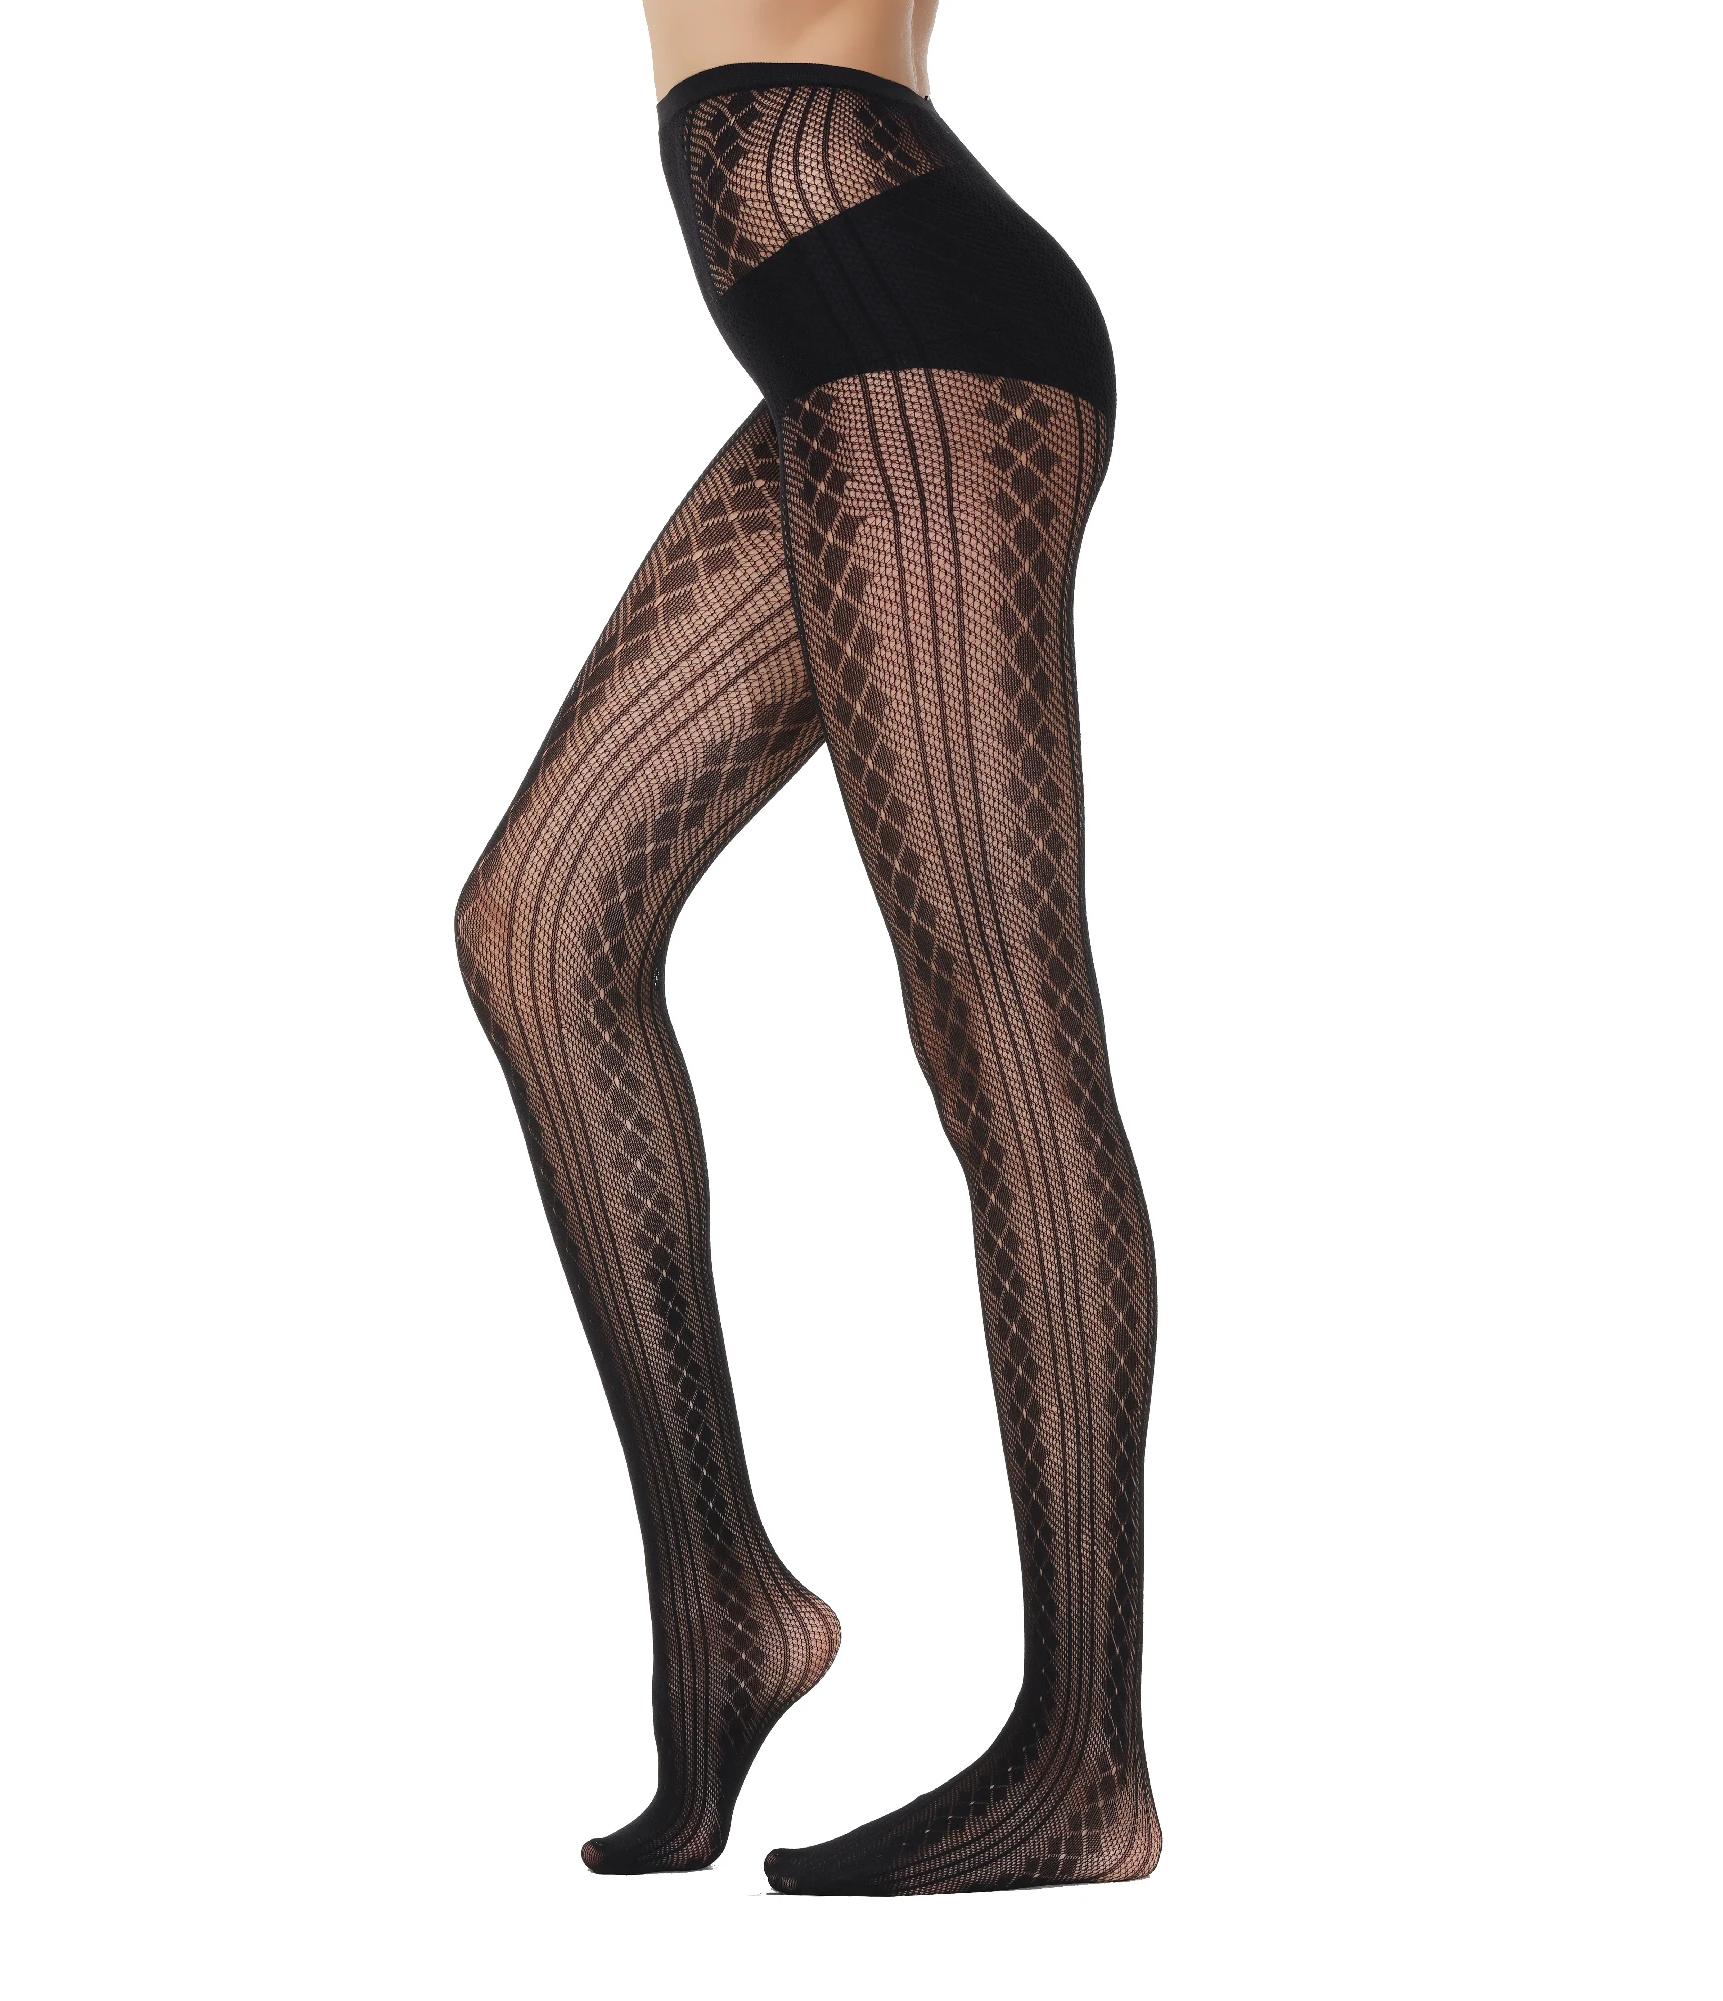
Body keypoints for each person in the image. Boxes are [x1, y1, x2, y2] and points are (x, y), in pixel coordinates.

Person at [455, 0, 1160, 1896]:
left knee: (1000, 1019)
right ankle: (727, 1606)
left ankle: (1082, 1759)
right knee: (539, 925)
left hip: (912, 313)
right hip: (853, 325)